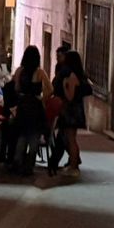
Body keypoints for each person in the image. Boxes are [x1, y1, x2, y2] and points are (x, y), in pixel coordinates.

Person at [6, 45, 52, 175]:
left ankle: (17, 161)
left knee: (22, 135)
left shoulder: (19, 71)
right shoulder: (40, 72)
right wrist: (42, 98)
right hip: (35, 107)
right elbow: (50, 89)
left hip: (23, 106)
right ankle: (29, 165)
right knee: (34, 136)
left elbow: (15, 88)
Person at [47, 49, 90, 177]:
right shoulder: (77, 75)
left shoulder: (71, 76)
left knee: (71, 139)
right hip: (74, 111)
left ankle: (73, 165)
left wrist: (65, 86)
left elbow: (70, 96)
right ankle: (73, 163)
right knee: (69, 138)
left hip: (70, 112)